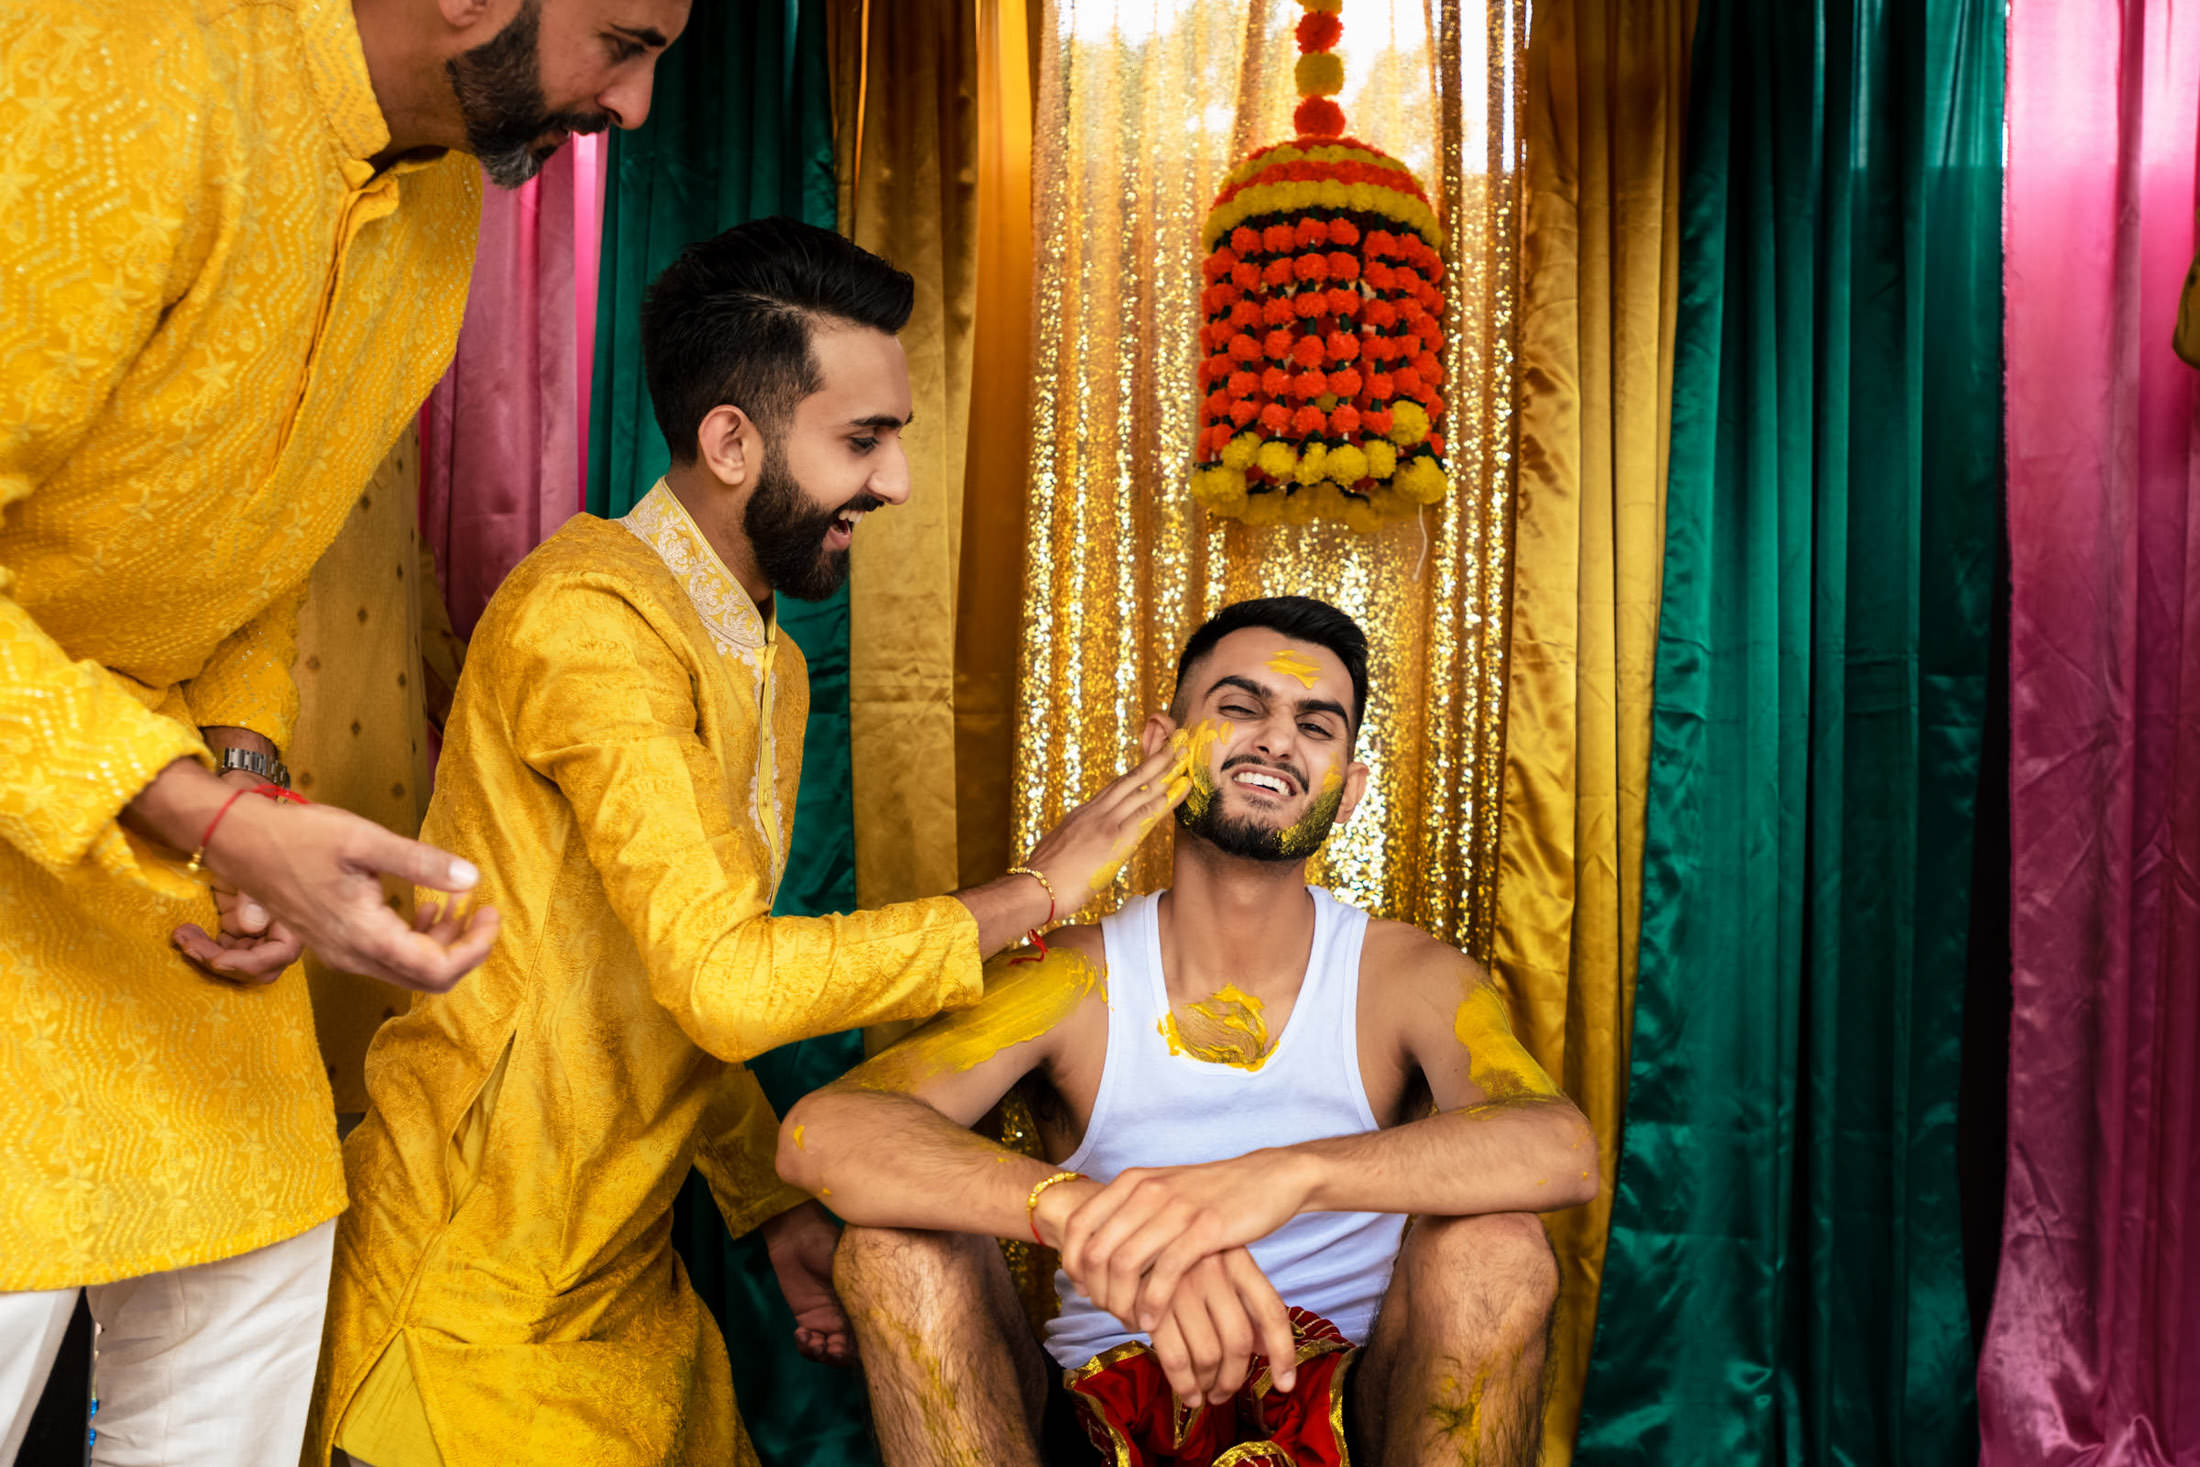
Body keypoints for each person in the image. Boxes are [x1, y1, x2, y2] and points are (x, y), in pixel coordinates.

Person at [306, 218, 1193, 1467]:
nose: (891, 483)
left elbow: (647, 980)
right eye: (861, 441)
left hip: (624, 1291)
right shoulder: (591, 619)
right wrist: (1030, 892)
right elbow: (726, 980)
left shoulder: (764, 656)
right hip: (470, 1296)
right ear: (732, 440)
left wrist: (765, 1200)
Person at [0, 1, 688, 1461]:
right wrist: (209, 813)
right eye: (622, 42)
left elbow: (253, 535)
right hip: (89, 801)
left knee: (256, 1277)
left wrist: (241, 775)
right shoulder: (114, 61)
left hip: (146, 858)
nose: (630, 107)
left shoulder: (439, 212)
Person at [781, 596, 1601, 1467]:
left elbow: (1557, 1147)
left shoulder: (1412, 977)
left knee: (1501, 1249)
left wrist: (1284, 1177)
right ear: (1159, 746)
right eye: (1241, 707)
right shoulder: (1067, 975)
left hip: (1357, 1415)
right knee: (890, 1245)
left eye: (1316, 725)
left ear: (1349, 788)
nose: (1278, 740)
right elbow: (822, 1131)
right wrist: (1099, 1219)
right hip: (1092, 1411)